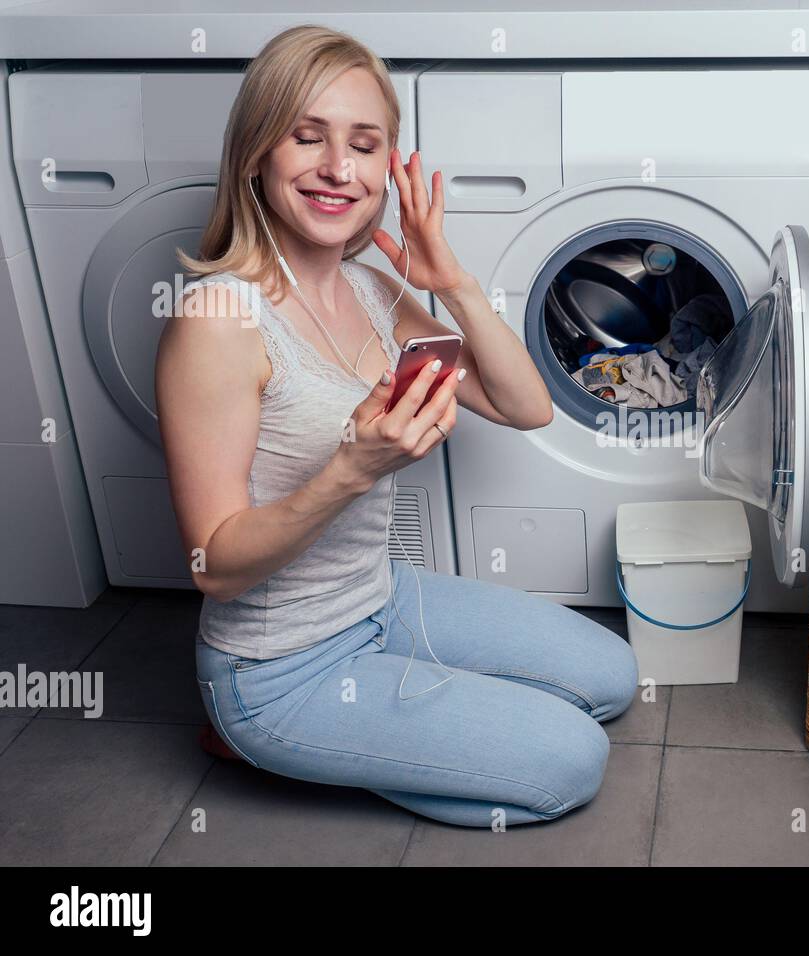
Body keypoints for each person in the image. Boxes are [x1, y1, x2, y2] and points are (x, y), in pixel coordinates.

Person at [156, 24, 639, 828]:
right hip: (280, 666)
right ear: (254, 155)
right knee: (571, 761)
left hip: (380, 600)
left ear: (389, 166)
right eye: (306, 138)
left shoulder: (374, 289)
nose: (338, 169)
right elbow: (215, 567)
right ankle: (261, 736)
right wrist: (352, 467)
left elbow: (527, 406)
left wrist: (447, 277)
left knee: (614, 677)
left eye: (364, 144)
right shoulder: (217, 320)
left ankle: (373, 725)